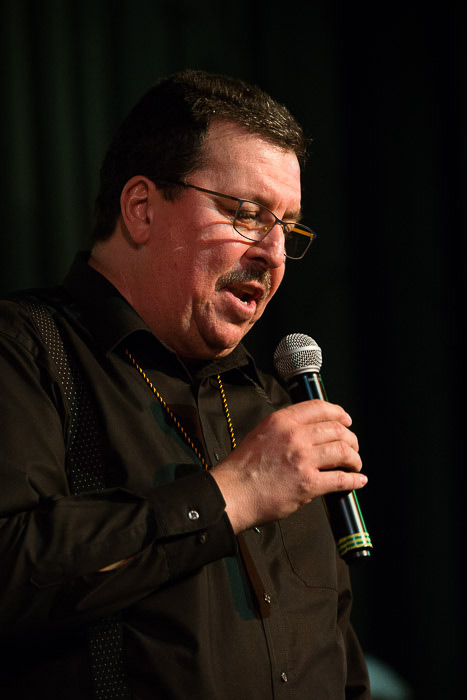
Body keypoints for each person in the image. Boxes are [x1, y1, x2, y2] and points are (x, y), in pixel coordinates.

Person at [0, 69, 370, 698]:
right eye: (247, 214)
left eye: (288, 228)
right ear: (141, 209)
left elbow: (334, 652)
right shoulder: (27, 350)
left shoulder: (275, 406)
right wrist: (234, 493)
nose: (274, 254)